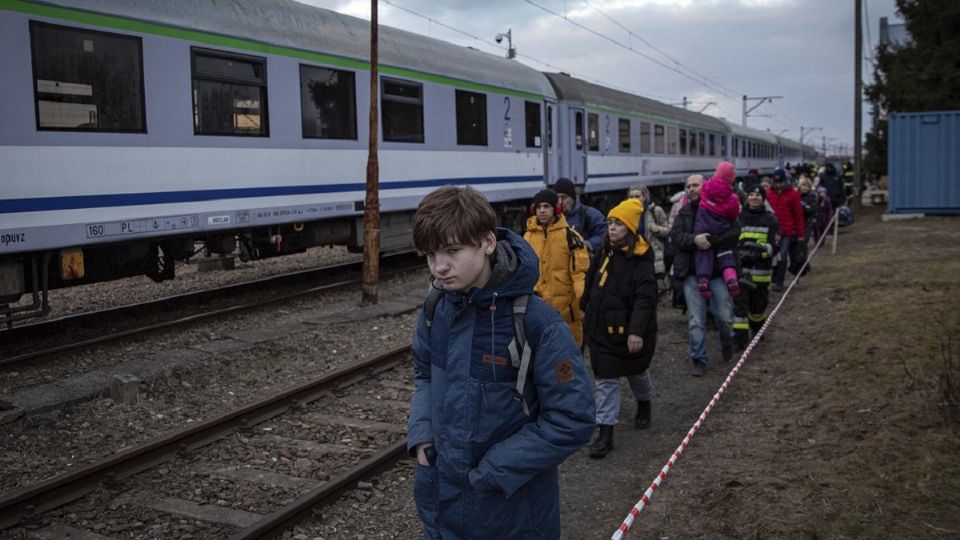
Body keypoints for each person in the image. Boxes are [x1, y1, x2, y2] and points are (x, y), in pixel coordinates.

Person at [407, 186, 595, 539]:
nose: (440, 267)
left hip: (512, 515)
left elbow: (574, 417)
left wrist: (492, 472)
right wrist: (422, 438)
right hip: (441, 507)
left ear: (488, 242)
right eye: (431, 255)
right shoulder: (436, 311)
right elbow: (424, 374)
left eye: (452, 251)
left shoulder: (538, 323)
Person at [581, 198, 658, 459]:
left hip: (628, 333)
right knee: (605, 380)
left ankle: (644, 404)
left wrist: (636, 331)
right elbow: (592, 278)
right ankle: (605, 433)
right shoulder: (605, 250)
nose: (611, 228)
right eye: (610, 222)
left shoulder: (641, 261)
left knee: (637, 373)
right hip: (602, 329)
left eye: (618, 223)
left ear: (631, 227)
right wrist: (584, 305)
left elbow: (645, 300)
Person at [670, 174, 739, 376]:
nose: (692, 189)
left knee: (725, 317)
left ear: (705, 187)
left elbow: (736, 232)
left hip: (718, 273)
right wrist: (694, 240)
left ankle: (727, 342)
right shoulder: (684, 213)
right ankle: (698, 359)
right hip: (692, 274)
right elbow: (676, 238)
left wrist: (711, 241)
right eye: (689, 186)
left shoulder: (723, 209)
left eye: (696, 185)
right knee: (695, 321)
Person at [523, 188, 590, 346]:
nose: (542, 211)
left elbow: (579, 274)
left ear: (556, 209)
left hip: (567, 311)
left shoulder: (571, 237)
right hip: (537, 309)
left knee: (568, 362)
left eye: (546, 206)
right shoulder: (527, 237)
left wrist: (582, 304)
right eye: (539, 207)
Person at [732, 185, 780, 350]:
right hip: (741, 271)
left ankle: (757, 329)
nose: (754, 197)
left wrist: (759, 252)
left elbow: (775, 247)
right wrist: (739, 254)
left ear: (763, 199)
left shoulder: (770, 219)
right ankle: (740, 339)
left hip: (761, 273)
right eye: (751, 194)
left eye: (758, 195)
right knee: (740, 306)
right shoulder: (738, 217)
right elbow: (731, 240)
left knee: (758, 306)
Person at [693, 162, 742, 299]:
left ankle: (703, 279)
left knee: (704, 252)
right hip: (720, 227)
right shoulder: (733, 198)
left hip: (702, 225)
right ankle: (731, 280)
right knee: (725, 252)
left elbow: (700, 197)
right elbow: (733, 215)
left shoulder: (706, 186)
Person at [766, 168, 804, 291]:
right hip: (771, 231)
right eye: (776, 182)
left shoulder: (793, 195)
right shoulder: (768, 194)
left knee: (781, 256)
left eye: (780, 182)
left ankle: (779, 281)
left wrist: (800, 234)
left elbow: (798, 215)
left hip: (786, 231)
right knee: (771, 255)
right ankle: (771, 279)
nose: (778, 185)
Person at [628, 185, 670, 294]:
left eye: (637, 196)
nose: (634, 199)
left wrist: (658, 230)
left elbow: (668, 230)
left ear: (645, 197)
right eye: (631, 197)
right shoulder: (626, 214)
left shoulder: (655, 211)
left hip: (653, 255)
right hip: (635, 255)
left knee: (654, 288)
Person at [553, 177, 607, 255]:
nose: (560, 202)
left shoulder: (588, 214)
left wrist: (588, 244)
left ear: (573, 198)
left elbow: (605, 235)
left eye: (564, 197)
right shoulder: (552, 217)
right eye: (557, 198)